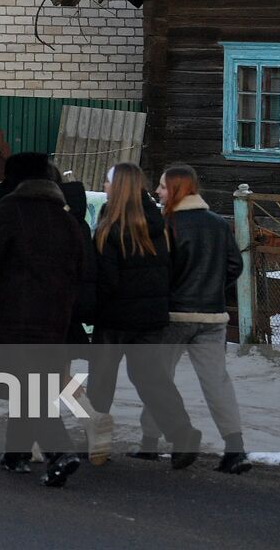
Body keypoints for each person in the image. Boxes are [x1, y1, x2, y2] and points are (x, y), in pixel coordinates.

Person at [0, 152, 88, 488]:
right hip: (54, 321)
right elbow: (81, 274)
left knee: (25, 389)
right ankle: (16, 454)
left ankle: (59, 451)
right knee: (30, 386)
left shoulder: (9, 213)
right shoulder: (67, 221)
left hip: (14, 318)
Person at [134, 164, 251, 475]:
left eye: (161, 186)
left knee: (158, 381)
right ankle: (235, 449)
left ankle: (149, 443)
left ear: (175, 189)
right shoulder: (217, 224)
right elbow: (234, 266)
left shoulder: (165, 224)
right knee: (217, 382)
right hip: (213, 316)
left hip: (173, 316)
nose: (157, 192)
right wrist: (212, 290)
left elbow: (160, 271)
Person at [86, 163, 200, 468]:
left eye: (107, 182)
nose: (105, 187)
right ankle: (183, 432)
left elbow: (106, 279)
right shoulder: (158, 223)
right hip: (150, 317)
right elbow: (170, 267)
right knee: (152, 379)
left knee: (101, 381)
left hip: (113, 318)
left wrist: (90, 306)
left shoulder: (109, 225)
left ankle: (97, 441)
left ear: (118, 186)